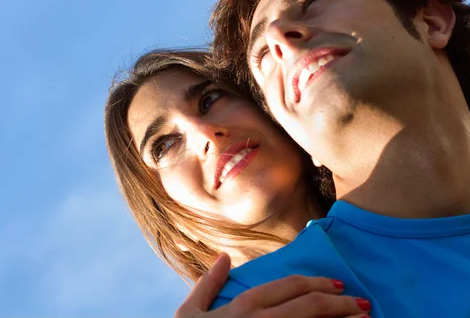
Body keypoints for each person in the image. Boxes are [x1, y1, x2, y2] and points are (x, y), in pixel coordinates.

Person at [203, 0, 470, 316]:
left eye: (315, 1)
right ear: (293, 131)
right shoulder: (258, 301)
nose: (279, 38)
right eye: (262, 56)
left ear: (432, 22)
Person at [104, 49, 373, 318]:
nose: (205, 134)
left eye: (209, 100)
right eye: (164, 146)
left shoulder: (406, 207)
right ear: (169, 221)